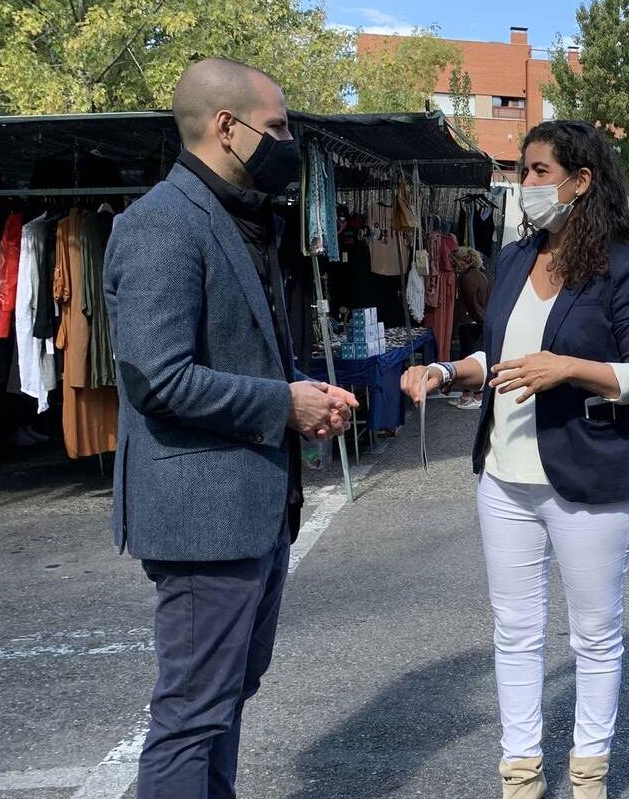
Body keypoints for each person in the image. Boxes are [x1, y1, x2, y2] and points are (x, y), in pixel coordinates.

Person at [102, 58, 359, 797]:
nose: (286, 142)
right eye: (276, 127)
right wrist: (284, 405)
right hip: (201, 517)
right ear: (226, 127)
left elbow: (240, 354)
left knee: (221, 701)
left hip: (250, 508)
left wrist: (301, 395)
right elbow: (159, 377)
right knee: (191, 715)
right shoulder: (161, 224)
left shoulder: (238, 220)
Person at [400, 119, 629, 799]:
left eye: (539, 171)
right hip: (504, 476)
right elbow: (504, 359)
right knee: (515, 634)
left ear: (581, 182)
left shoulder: (627, 267)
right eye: (523, 171)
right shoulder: (515, 260)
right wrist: (446, 369)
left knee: (594, 637)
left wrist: (570, 369)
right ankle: (519, 776)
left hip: (591, 476)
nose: (526, 185)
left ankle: (588, 777)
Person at [454, 247, 491, 410]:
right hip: (479, 321)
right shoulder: (481, 275)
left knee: (467, 357)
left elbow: (471, 302)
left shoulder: (466, 277)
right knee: (476, 356)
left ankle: (471, 396)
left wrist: (479, 319)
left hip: (470, 322)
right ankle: (473, 395)